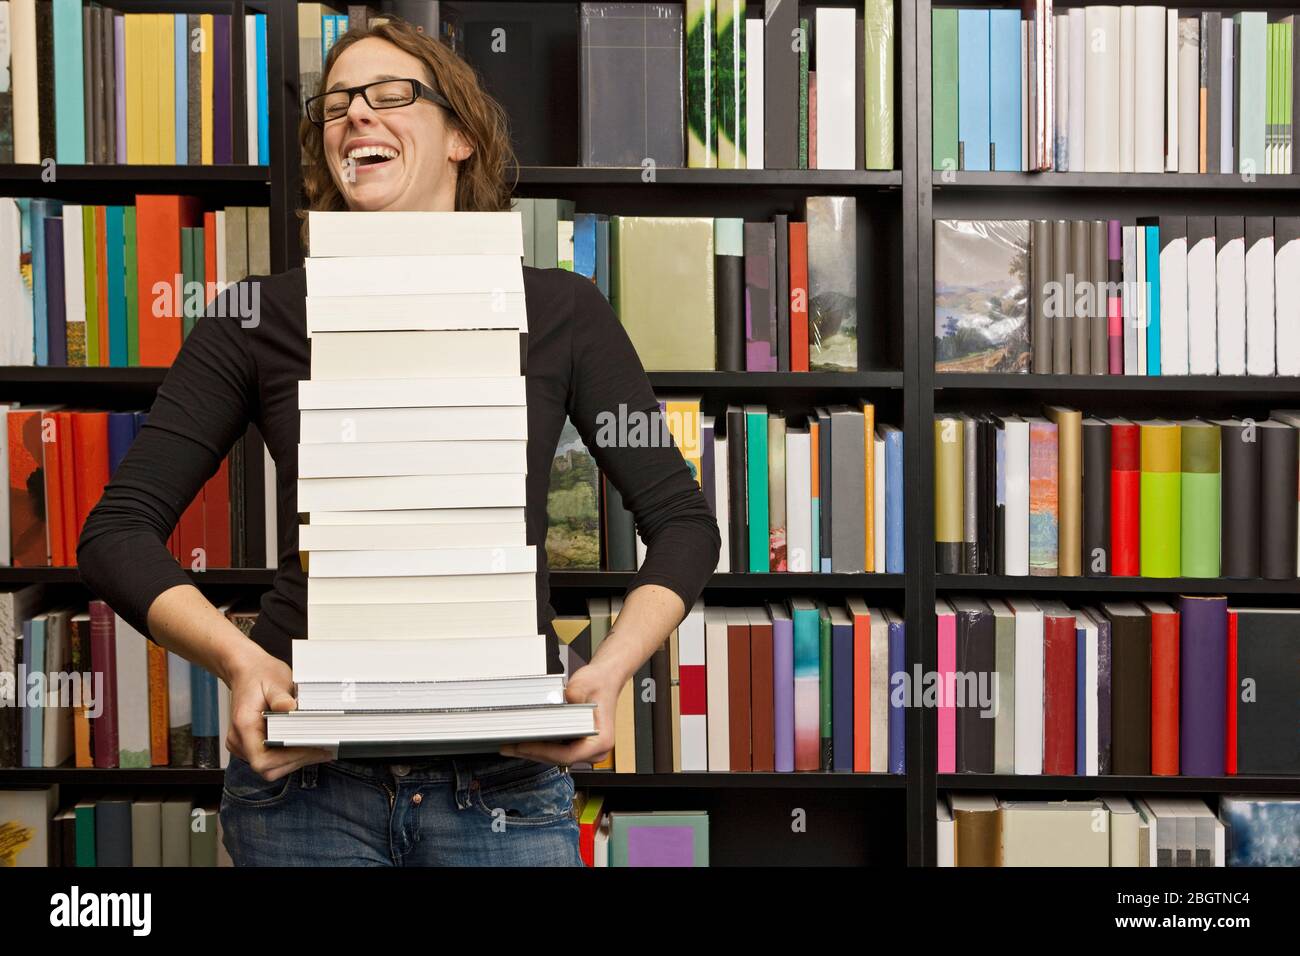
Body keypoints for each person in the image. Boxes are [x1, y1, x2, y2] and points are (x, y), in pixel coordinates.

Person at [77, 17, 720, 867]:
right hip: (304, 785)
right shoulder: (257, 318)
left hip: (505, 781)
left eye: (392, 95)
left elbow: (682, 522)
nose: (356, 116)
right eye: (337, 104)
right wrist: (239, 662)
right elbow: (117, 531)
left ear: (460, 134)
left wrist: (607, 671)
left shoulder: (562, 309)